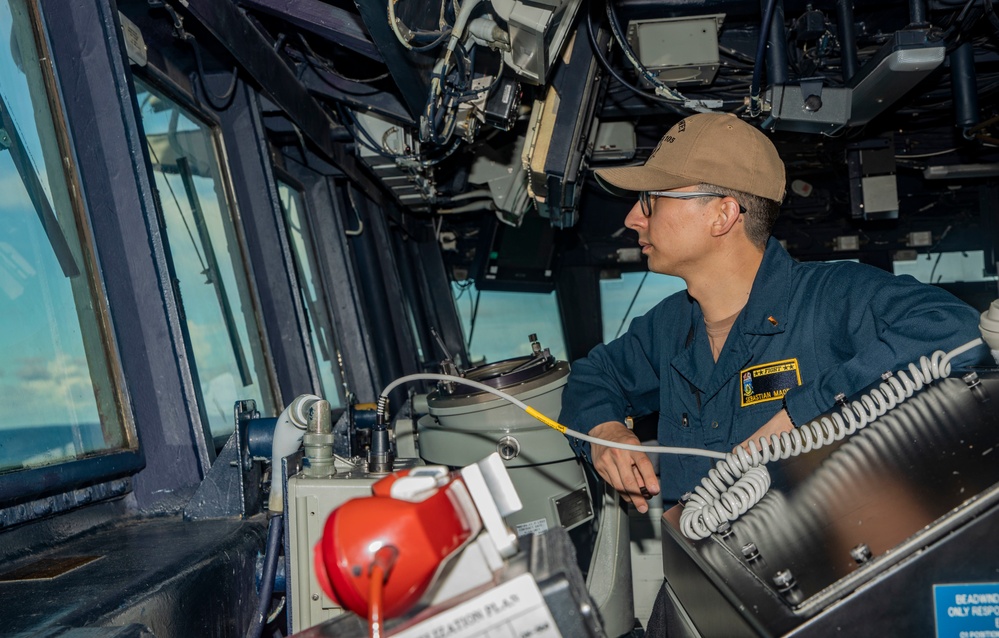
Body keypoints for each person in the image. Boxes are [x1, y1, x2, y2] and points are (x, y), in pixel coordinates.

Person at [558, 112, 987, 515]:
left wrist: (802, 416)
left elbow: (954, 329)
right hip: (693, 573)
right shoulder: (667, 326)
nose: (634, 218)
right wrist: (605, 431)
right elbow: (593, 375)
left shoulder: (833, 297)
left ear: (722, 215)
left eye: (652, 200)